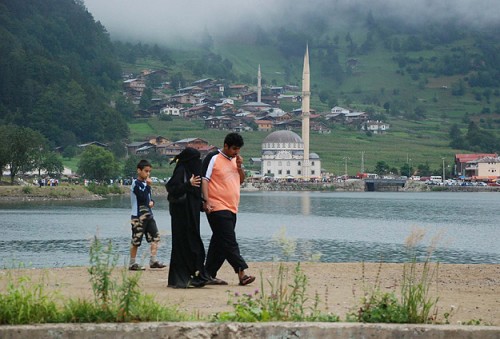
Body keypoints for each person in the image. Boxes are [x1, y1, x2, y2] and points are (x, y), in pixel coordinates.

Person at [201, 133, 255, 286]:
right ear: (225, 146)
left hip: (232, 207)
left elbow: (241, 181)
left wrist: (239, 167)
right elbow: (204, 180)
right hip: (216, 206)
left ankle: (208, 274)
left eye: (238, 149)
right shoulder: (213, 158)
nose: (236, 152)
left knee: (219, 243)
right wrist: (206, 201)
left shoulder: (235, 161)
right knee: (229, 241)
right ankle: (242, 273)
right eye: (234, 149)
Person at [165, 148, 209, 288]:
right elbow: (172, 188)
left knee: (193, 245)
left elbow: (194, 195)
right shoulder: (181, 170)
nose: (198, 162)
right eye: (196, 159)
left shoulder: (193, 172)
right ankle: (184, 277)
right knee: (183, 245)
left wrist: (203, 204)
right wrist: (187, 184)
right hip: (181, 217)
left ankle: (196, 276)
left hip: (191, 216)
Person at [129, 159, 166, 271]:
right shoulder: (136, 183)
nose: (148, 174)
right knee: (136, 240)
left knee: (155, 237)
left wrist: (152, 202)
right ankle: (132, 263)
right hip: (138, 216)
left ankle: (153, 260)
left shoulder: (146, 184)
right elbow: (141, 197)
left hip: (149, 215)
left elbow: (148, 198)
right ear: (139, 170)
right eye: (146, 171)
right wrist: (149, 187)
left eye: (149, 171)